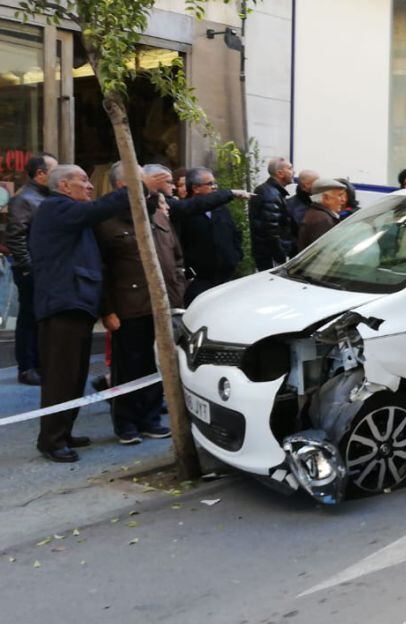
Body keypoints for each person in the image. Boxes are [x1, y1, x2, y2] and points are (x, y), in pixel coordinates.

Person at [29, 165, 132, 462]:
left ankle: (63, 430)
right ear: (64, 186)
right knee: (61, 377)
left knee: (75, 376)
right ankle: (51, 440)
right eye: (84, 181)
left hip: (78, 305)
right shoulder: (56, 207)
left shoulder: (72, 213)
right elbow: (99, 209)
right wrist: (131, 188)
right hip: (62, 305)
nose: (89, 186)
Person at [94, 162, 180, 444]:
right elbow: (101, 269)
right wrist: (107, 310)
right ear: (123, 186)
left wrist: (180, 288)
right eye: (143, 181)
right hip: (128, 306)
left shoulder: (157, 213)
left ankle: (151, 419)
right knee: (128, 367)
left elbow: (175, 257)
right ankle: (126, 423)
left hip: (162, 305)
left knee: (158, 366)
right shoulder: (106, 221)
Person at [4, 152, 57, 386]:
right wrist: (29, 268)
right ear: (40, 173)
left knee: (41, 317)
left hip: (46, 268)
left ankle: (39, 363)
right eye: (54, 171)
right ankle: (27, 367)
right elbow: (15, 237)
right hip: (32, 269)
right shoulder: (23, 199)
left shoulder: (46, 197)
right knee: (29, 317)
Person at [173, 166, 248, 305]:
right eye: (210, 184)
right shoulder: (184, 212)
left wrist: (236, 256)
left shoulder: (221, 209)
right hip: (199, 280)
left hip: (225, 277)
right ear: (195, 188)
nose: (214, 188)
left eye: (215, 184)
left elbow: (234, 233)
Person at [250, 157, 295, 270]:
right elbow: (270, 230)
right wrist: (280, 255)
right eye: (290, 168)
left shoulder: (272, 191)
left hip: (268, 254)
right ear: (280, 173)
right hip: (271, 256)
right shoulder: (271, 194)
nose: (293, 172)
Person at [297, 178, 349, 251]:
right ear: (326, 198)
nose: (343, 200)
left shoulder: (316, 214)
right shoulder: (322, 220)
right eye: (340, 195)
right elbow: (324, 253)